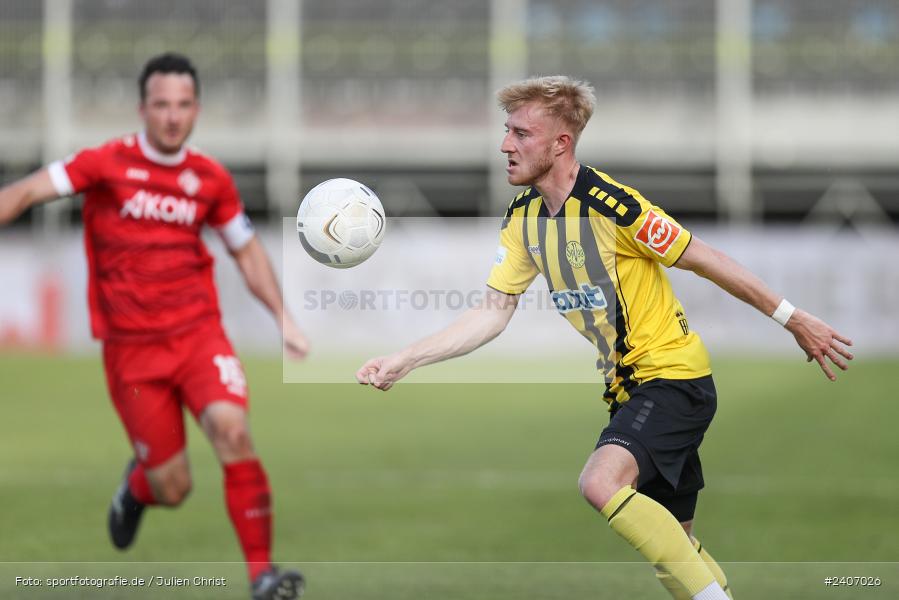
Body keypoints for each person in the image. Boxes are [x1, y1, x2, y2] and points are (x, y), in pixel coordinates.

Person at [356, 76, 853, 600]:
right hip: (630, 390)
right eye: (507, 131)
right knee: (677, 547)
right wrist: (407, 358)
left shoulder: (614, 206)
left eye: (522, 133)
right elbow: (492, 313)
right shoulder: (523, 217)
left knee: (600, 483)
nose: (506, 145)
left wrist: (793, 318)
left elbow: (709, 261)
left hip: (672, 378)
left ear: (560, 143)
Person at [0, 53, 307, 600]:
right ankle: (138, 487)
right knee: (175, 486)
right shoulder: (103, 163)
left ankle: (263, 575)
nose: (172, 116)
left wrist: (282, 316)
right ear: (143, 108)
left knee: (233, 431)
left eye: (183, 105)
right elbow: (22, 193)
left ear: (197, 110)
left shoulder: (209, 178)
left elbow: (246, 249)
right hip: (131, 353)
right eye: (162, 105)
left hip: (197, 335)